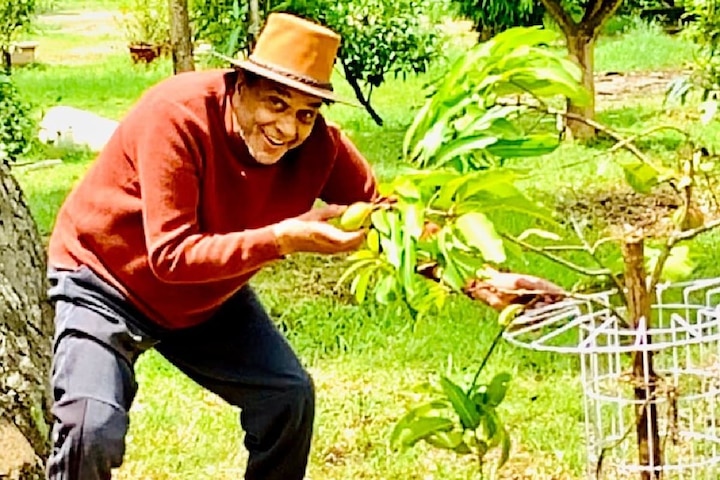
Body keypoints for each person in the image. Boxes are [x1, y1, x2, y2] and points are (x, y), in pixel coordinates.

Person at [45, 12, 563, 480]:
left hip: (206, 298)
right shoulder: (177, 117)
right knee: (92, 427)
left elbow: (391, 223)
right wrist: (283, 238)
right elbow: (171, 255)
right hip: (106, 280)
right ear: (239, 84)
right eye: (276, 103)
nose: (287, 128)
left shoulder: (319, 147)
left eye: (306, 113)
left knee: (287, 398)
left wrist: (480, 282)